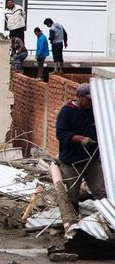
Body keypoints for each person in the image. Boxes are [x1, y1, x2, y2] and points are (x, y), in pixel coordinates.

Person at [56, 83, 106, 211]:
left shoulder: (93, 111)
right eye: (88, 100)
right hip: (71, 163)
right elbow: (61, 133)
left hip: (91, 161)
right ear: (79, 96)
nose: (91, 103)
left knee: (102, 193)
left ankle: (108, 220)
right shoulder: (67, 112)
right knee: (71, 197)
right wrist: (80, 139)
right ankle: (72, 225)